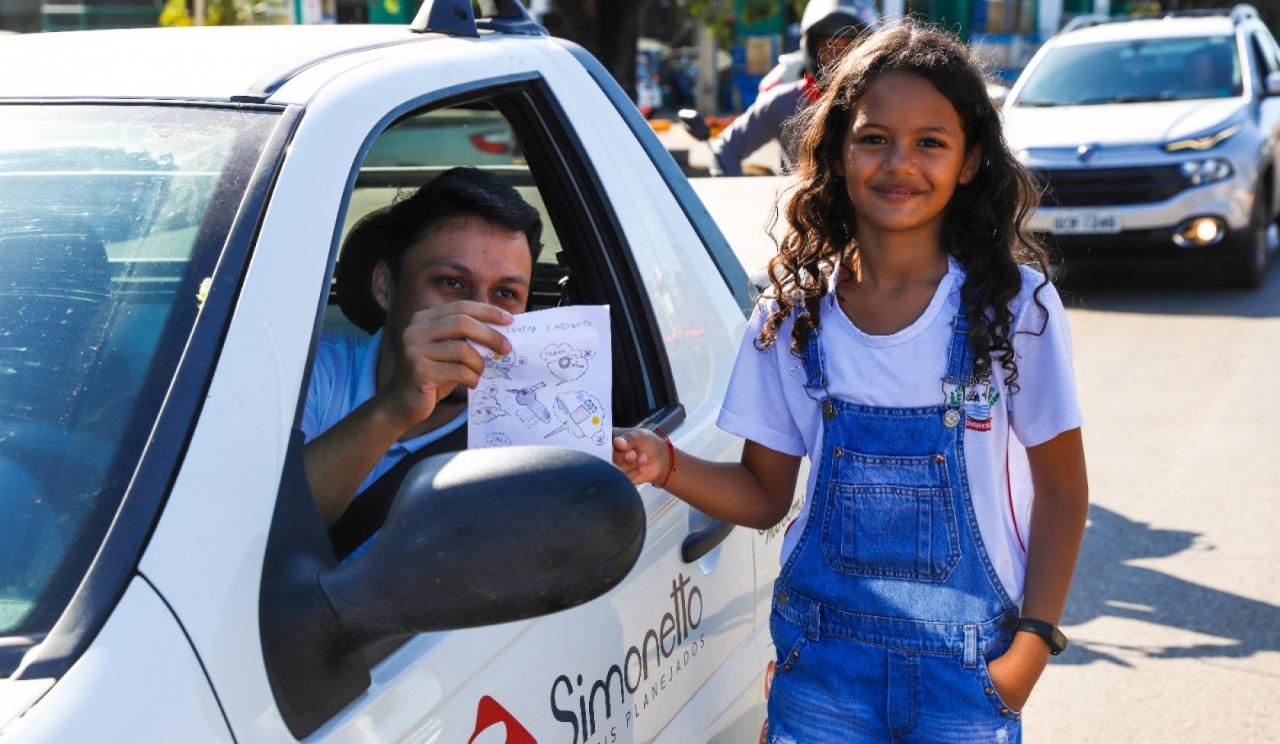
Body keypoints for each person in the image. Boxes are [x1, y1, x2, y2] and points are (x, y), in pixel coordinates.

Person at [614, 22, 1088, 742]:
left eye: (931, 142)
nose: (900, 163)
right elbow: (765, 494)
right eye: (874, 138)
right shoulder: (790, 318)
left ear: (970, 162)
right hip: (823, 670)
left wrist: (1031, 649)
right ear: (838, 151)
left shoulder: (1014, 310)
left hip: (969, 674)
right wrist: (666, 464)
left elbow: (1062, 492)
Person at [303, 167, 542, 543]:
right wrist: (394, 409)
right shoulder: (309, 377)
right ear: (385, 286)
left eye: (505, 294)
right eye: (451, 282)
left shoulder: (536, 425)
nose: (475, 316)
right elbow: (260, 532)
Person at [709, 0, 876, 177]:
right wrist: (734, 190)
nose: (839, 57)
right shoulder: (786, 102)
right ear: (811, 48)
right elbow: (725, 150)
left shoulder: (882, 104)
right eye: (829, 47)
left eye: (849, 46)